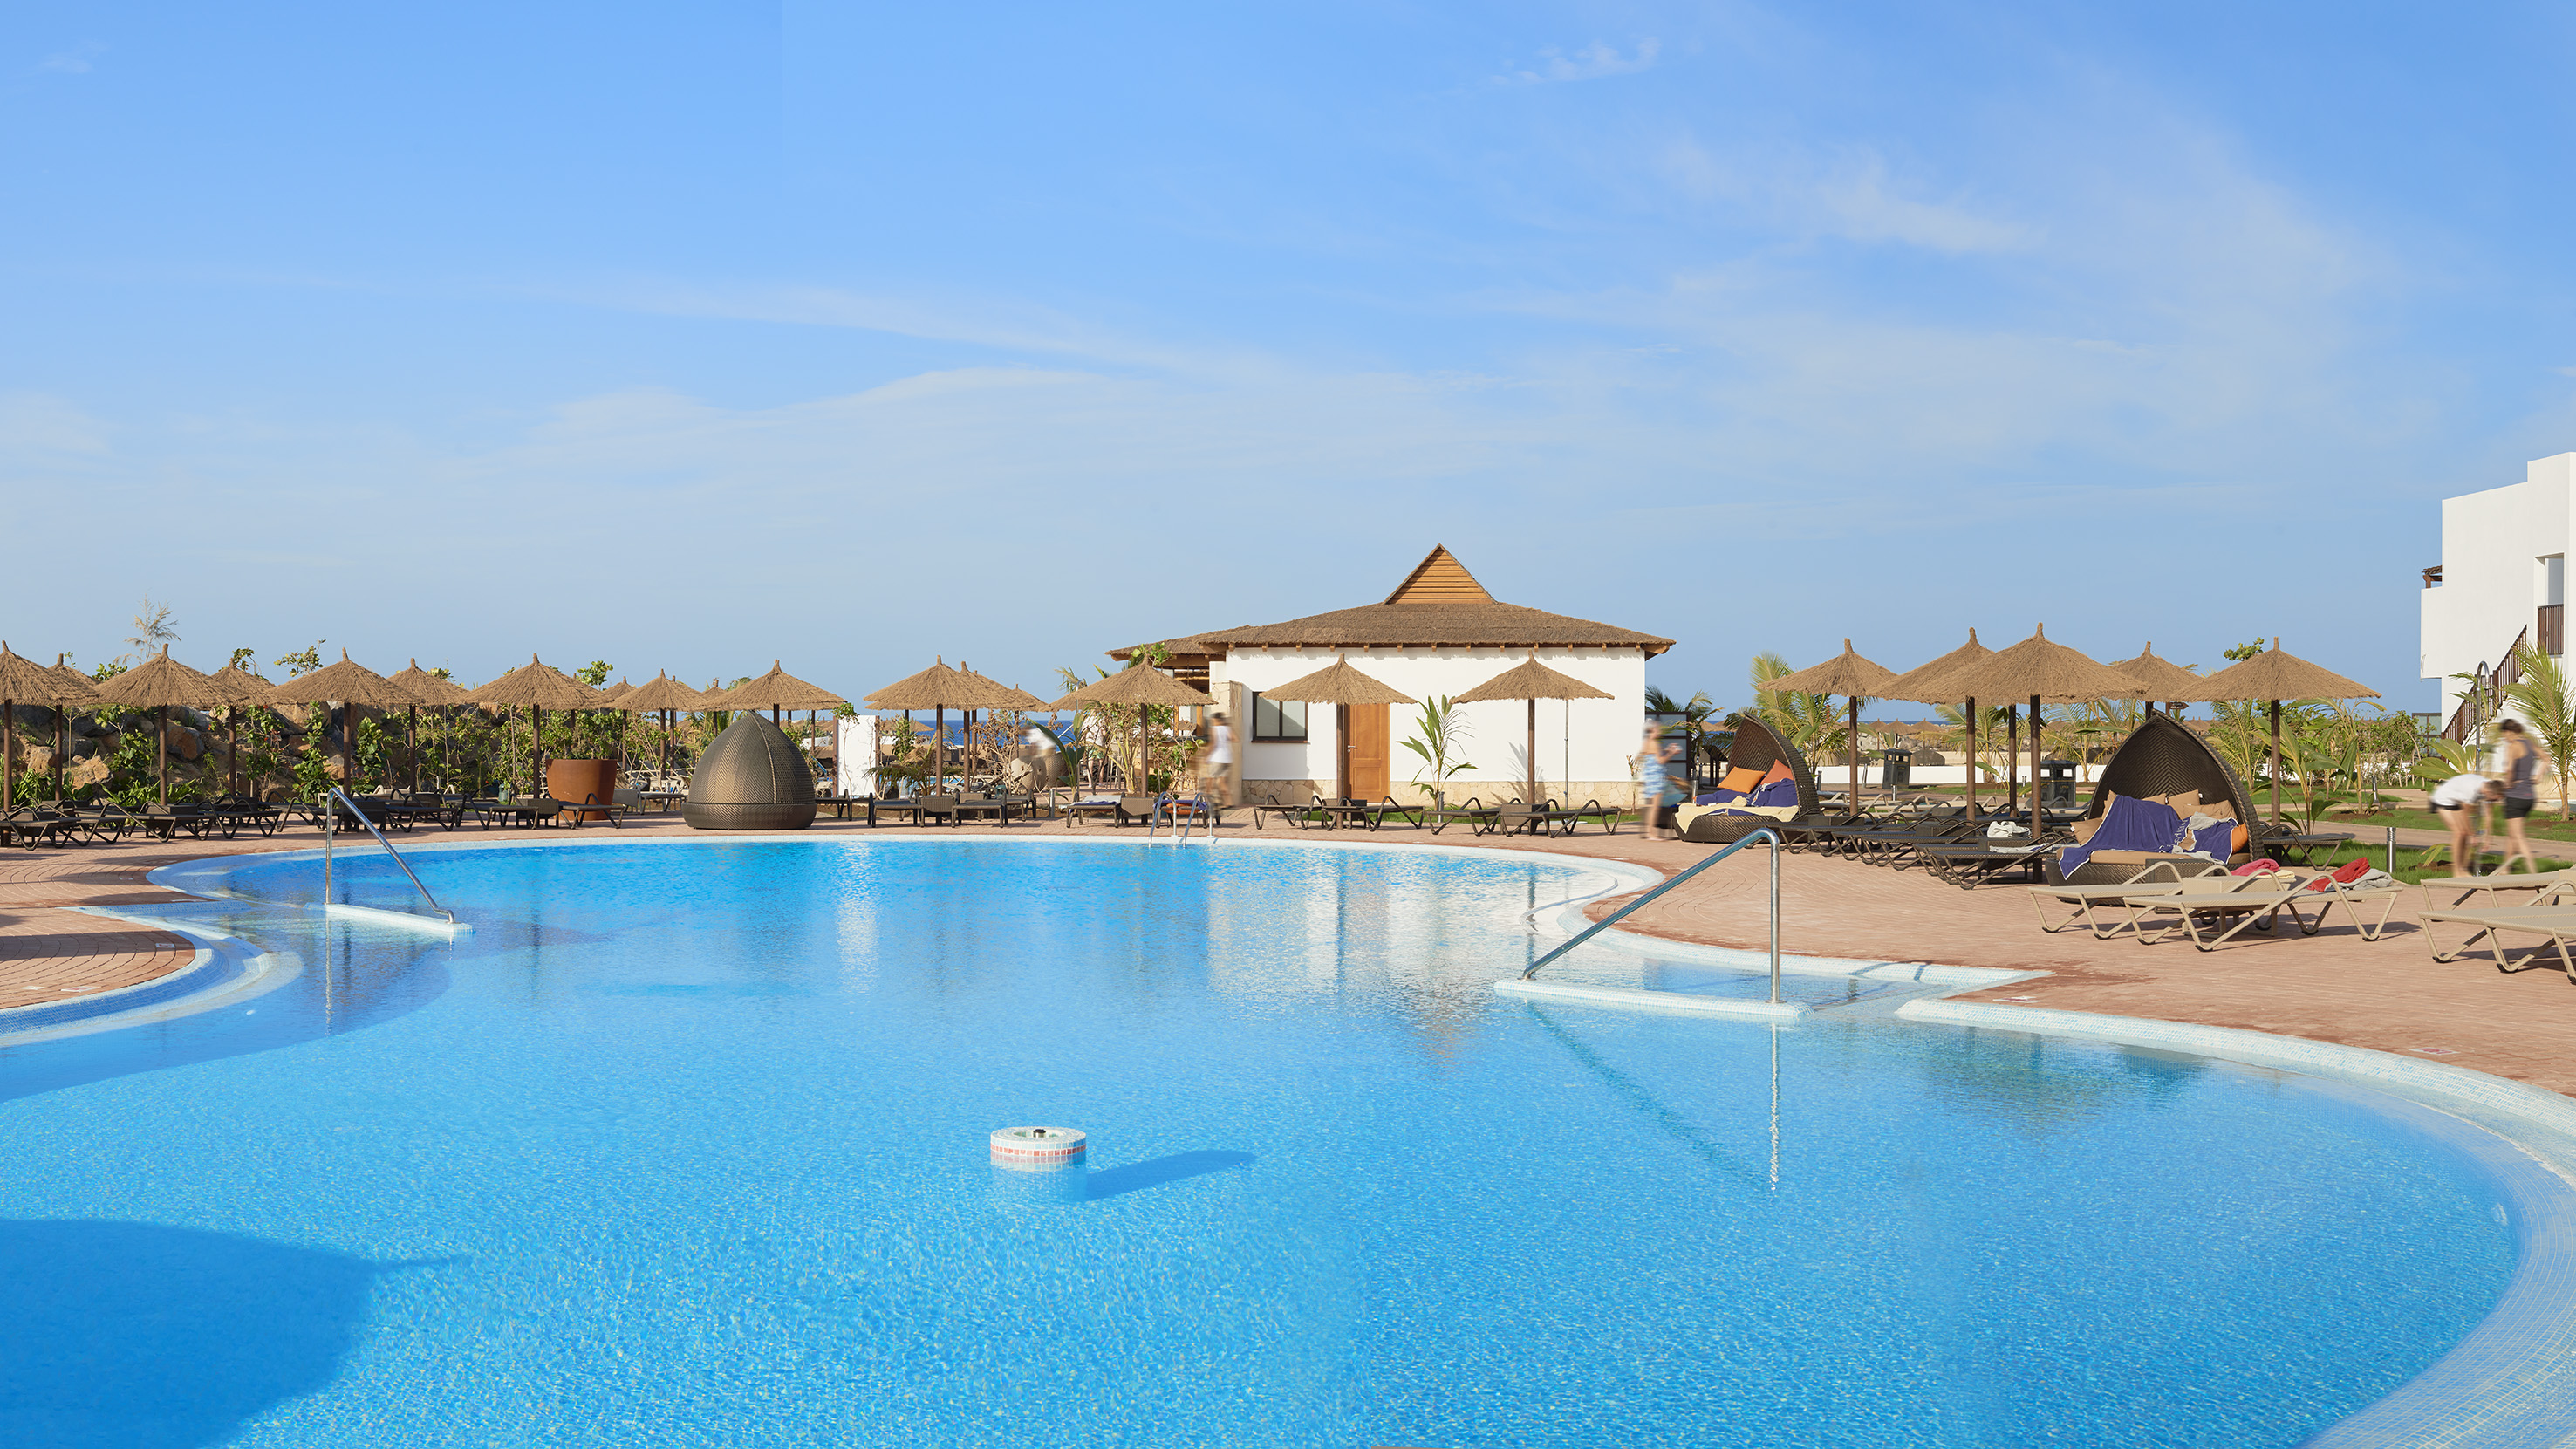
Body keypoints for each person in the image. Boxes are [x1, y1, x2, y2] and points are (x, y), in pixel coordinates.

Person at [2427, 769, 2506, 877]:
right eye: (2494, 799)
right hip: (2442, 799)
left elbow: (2488, 816)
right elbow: (2465, 815)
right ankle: (2457, 872)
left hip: (2457, 801)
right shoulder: (2471, 791)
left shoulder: (2489, 785)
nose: (2495, 802)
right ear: (2489, 793)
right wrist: (2473, 835)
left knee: (2465, 835)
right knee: (2459, 833)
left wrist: (2487, 839)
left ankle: (2463, 869)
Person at [2497, 720, 2547, 875]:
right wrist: (2537, 777)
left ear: (2509, 732)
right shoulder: (2529, 743)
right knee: (2512, 835)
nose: (2504, 737)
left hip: (2515, 795)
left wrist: (2506, 785)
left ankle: (2533, 872)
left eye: (2504, 734)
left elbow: (2510, 771)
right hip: (2529, 796)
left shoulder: (2512, 746)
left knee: (2518, 836)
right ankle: (2505, 870)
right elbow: (2546, 758)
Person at [1636, 726, 1682, 840]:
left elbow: (1653, 755)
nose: (1659, 731)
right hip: (1656, 778)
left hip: (1650, 778)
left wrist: (1666, 750)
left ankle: (1648, 832)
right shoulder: (1655, 743)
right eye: (1657, 729)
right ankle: (1651, 833)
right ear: (1653, 731)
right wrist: (1671, 753)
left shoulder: (1647, 742)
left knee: (1651, 806)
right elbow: (1661, 760)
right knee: (1655, 807)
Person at [1200, 711, 1235, 806]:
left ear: (1216, 720)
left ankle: (1206, 802)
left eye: (1213, 721)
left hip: (1217, 758)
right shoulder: (1228, 728)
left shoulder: (1214, 729)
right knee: (1222, 782)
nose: (1212, 722)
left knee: (1210, 779)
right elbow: (1235, 739)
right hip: (1228, 758)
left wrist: (1206, 757)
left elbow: (1213, 744)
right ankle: (1229, 803)